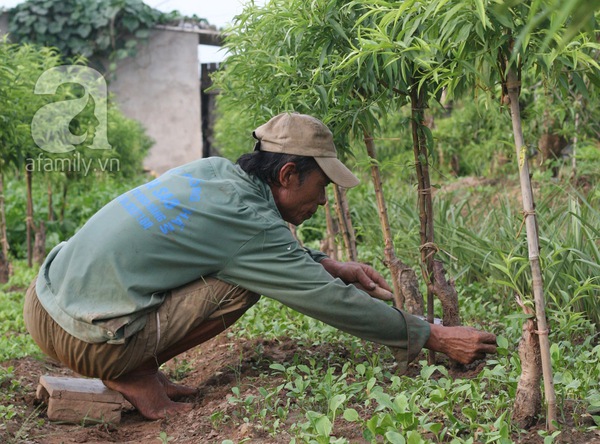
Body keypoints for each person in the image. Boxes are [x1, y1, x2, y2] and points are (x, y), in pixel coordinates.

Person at [24, 112, 497, 421]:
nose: (322, 200)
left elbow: (247, 248)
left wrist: (330, 262)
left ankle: (135, 364)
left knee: (234, 270)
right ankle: (132, 371)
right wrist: (432, 336)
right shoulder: (252, 225)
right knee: (240, 286)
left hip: (45, 300)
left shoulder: (212, 172)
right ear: (288, 175)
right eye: (321, 186)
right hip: (85, 337)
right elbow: (323, 297)